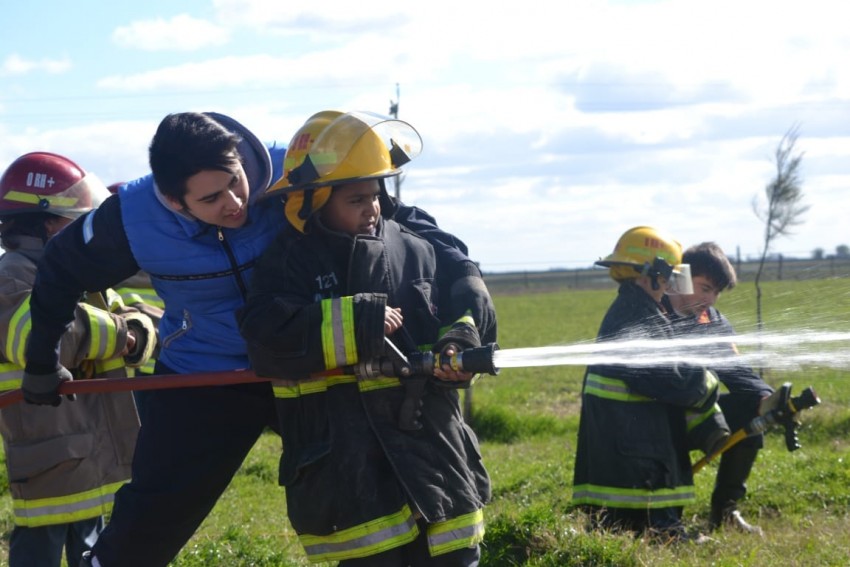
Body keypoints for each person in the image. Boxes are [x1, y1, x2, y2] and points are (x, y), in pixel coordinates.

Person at [21, 112, 496, 567]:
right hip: (207, 376)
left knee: (376, 490)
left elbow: (397, 218)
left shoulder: (295, 168)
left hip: (310, 366)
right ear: (172, 199)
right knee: (155, 511)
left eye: (236, 181)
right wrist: (42, 361)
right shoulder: (129, 219)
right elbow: (59, 272)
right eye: (210, 200)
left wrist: (466, 296)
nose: (234, 203)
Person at [238, 110, 494, 565]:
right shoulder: (288, 262)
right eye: (356, 200)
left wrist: (457, 341)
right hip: (349, 471)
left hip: (436, 459)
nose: (372, 209)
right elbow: (266, 339)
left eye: (375, 196)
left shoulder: (414, 248)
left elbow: (453, 314)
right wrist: (356, 324)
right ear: (315, 200)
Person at [0, 152, 155, 567]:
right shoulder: (13, 275)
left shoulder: (82, 279)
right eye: (80, 221)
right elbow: (43, 336)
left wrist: (135, 330)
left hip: (90, 446)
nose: (92, 233)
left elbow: (138, 317)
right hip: (51, 449)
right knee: (40, 550)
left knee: (94, 548)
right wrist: (122, 333)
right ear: (49, 223)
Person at [571, 225, 731, 542]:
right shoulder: (636, 315)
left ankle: (656, 527)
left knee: (621, 521)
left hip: (627, 439)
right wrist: (707, 383)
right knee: (643, 511)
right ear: (653, 274)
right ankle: (663, 530)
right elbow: (670, 378)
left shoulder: (639, 308)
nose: (674, 284)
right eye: (671, 276)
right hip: (633, 448)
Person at [664, 241, 775, 535]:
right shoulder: (655, 313)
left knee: (750, 409)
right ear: (680, 277)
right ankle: (665, 519)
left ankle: (725, 510)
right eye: (704, 288)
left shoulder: (712, 321)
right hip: (658, 419)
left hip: (699, 414)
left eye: (716, 292)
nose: (711, 299)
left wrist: (764, 395)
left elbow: (736, 370)